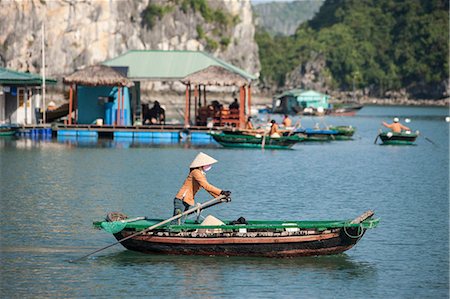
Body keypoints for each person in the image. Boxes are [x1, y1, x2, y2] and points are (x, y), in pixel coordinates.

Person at [173, 152, 231, 224]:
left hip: (187, 200)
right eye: (207, 164)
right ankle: (174, 233)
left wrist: (221, 197)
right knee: (177, 223)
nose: (209, 166)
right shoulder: (195, 172)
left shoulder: (201, 174)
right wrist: (222, 192)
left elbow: (207, 189)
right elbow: (206, 186)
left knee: (181, 222)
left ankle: (177, 232)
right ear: (201, 165)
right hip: (182, 199)